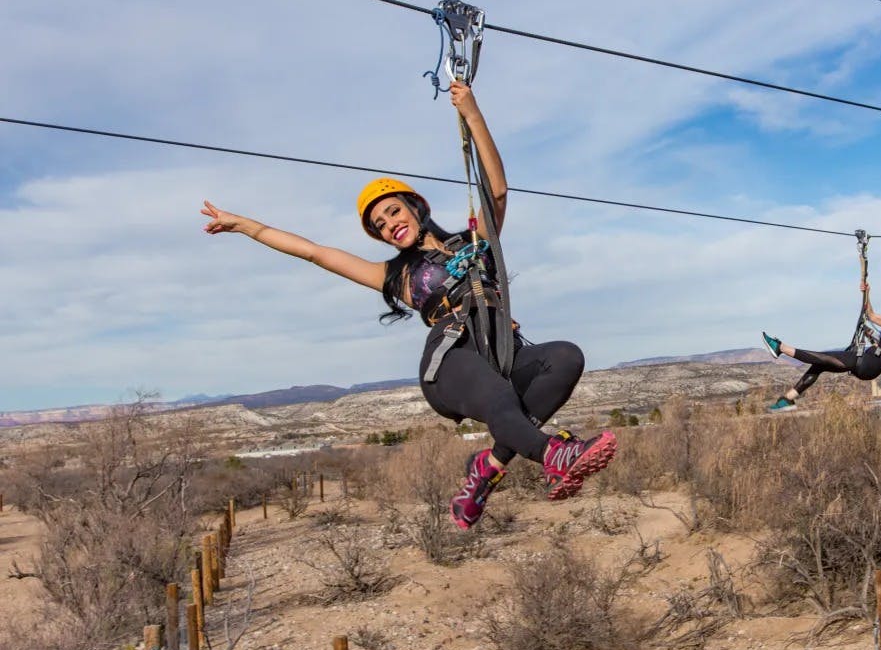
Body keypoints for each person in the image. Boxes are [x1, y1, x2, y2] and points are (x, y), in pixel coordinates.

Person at [200, 80, 616, 529]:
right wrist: (245, 225)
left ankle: (489, 468)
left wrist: (472, 113)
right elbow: (315, 252)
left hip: (499, 354)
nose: (389, 225)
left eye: (393, 212)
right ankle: (555, 453)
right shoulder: (396, 276)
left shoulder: (473, 241)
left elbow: (497, 191)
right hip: (451, 362)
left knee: (564, 357)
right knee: (498, 395)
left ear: (416, 207)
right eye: (379, 225)